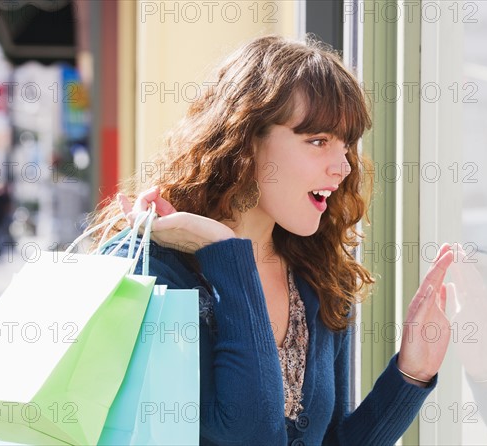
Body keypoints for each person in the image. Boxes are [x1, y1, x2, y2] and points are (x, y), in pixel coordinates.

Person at [92, 35, 454, 445]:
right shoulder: (150, 272)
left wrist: (411, 374)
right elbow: (250, 433)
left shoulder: (320, 277)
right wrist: (225, 255)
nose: (342, 166)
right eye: (318, 141)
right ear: (245, 138)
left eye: (347, 144)